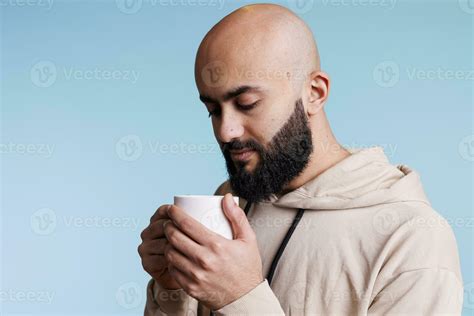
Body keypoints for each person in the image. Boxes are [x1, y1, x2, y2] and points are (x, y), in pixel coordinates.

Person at [138, 3, 463, 315]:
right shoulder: (232, 200)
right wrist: (173, 290)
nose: (226, 131)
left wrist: (240, 299)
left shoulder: (413, 238)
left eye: (247, 103)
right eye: (212, 110)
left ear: (315, 92)